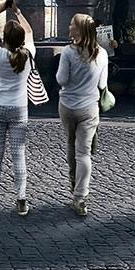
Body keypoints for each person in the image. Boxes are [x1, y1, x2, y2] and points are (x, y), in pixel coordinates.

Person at [0, 1, 39, 216]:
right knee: (18, 155)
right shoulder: (28, 54)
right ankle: (21, 199)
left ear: (4, 38)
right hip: (19, 108)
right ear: (22, 39)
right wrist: (18, 12)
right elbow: (30, 31)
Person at [57, 13, 110, 216]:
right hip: (89, 107)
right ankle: (81, 196)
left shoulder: (68, 52)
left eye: (71, 25)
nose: (69, 27)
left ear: (78, 30)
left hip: (68, 105)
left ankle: (73, 182)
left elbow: (61, 79)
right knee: (84, 152)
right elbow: (102, 84)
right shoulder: (101, 54)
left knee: (71, 144)